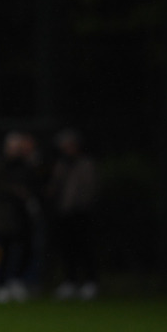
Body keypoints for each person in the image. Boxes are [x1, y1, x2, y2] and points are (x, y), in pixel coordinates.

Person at [0, 130, 42, 303]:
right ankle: (0, 284)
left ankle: (16, 281)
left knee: (25, 250)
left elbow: (37, 186)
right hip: (6, 217)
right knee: (4, 252)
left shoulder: (27, 166)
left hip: (22, 217)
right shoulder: (1, 166)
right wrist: (15, 192)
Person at [47, 128, 99, 300]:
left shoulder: (85, 164)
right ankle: (70, 281)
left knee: (85, 248)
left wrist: (80, 206)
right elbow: (55, 186)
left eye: (69, 145)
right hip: (64, 214)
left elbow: (89, 188)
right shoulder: (61, 165)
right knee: (67, 249)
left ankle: (90, 283)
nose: (66, 149)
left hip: (81, 213)